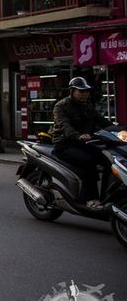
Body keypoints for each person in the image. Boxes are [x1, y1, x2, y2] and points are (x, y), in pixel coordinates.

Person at [50, 77, 118, 210]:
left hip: (83, 143)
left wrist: (119, 129)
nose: (85, 94)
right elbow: (65, 127)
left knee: (109, 160)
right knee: (88, 162)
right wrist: (79, 136)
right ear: (72, 91)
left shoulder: (88, 106)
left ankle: (106, 195)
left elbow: (103, 122)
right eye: (81, 91)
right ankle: (90, 199)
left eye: (86, 91)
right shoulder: (61, 106)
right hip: (64, 145)